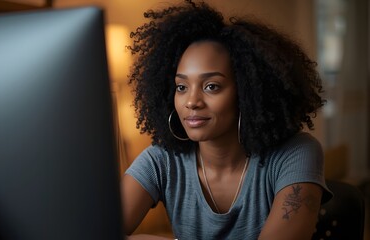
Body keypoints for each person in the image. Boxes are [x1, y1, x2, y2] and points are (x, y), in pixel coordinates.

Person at [121, 1, 332, 239]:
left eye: (211, 86)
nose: (191, 101)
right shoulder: (162, 160)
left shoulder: (296, 153)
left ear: (248, 92)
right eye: (181, 87)